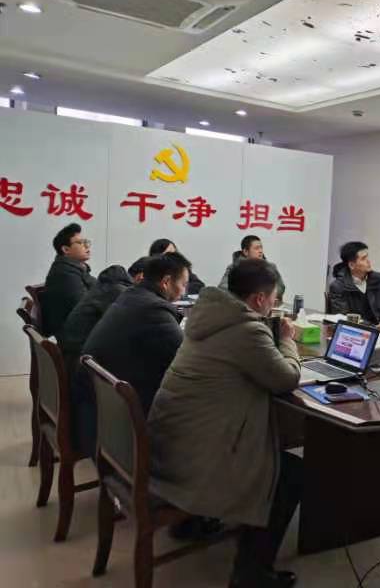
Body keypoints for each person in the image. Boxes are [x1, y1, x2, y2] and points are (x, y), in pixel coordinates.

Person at [148, 259, 301, 588]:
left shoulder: (208, 315)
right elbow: (286, 378)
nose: (274, 305)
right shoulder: (247, 330)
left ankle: (189, 523)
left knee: (270, 444)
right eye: (274, 298)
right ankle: (251, 573)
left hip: (168, 446)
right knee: (288, 472)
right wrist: (287, 340)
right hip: (194, 462)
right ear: (259, 299)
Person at [81, 252, 190, 416]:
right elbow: (185, 359)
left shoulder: (132, 295)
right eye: (183, 284)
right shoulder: (154, 310)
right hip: (118, 410)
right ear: (166, 282)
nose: (184, 291)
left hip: (96, 400)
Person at [328, 241, 380, 334]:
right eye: (363, 258)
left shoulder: (379, 279)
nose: (368, 261)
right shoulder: (338, 286)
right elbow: (345, 318)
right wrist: (374, 328)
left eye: (367, 257)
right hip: (355, 333)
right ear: (352, 265)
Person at [42, 223, 96, 339]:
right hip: (77, 339)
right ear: (66, 249)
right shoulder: (64, 274)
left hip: (82, 332)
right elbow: (85, 308)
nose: (86, 246)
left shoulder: (74, 269)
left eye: (86, 242)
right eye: (81, 243)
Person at [219, 235, 286, 300]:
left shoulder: (270, 267)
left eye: (261, 248)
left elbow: (280, 287)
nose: (260, 251)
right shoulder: (234, 267)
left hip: (266, 303)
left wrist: (266, 293)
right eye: (256, 248)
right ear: (246, 252)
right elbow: (223, 288)